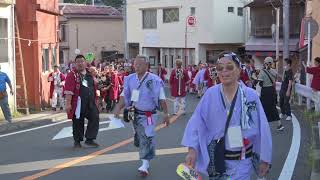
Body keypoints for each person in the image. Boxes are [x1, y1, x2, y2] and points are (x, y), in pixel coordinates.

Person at [182, 51, 272, 180]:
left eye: (229, 67)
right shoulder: (210, 94)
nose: (224, 71)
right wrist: (192, 150)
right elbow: (197, 123)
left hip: (242, 162)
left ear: (239, 69)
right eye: (220, 68)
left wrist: (265, 157)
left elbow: (262, 127)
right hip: (217, 161)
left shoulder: (250, 95)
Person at [113, 55, 170, 176]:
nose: (137, 66)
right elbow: (124, 95)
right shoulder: (129, 79)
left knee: (148, 136)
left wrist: (166, 113)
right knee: (140, 137)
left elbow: (162, 99)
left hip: (149, 114)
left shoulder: (154, 80)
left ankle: (144, 164)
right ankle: (138, 139)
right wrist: (118, 108)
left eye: (139, 64)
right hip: (134, 113)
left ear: (146, 66)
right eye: (135, 64)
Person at [64, 55, 100, 148]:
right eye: (78, 62)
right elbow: (68, 91)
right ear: (75, 64)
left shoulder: (90, 73)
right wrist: (68, 104)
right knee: (77, 121)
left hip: (90, 102)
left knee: (95, 117)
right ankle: (77, 141)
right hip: (78, 103)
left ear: (85, 63)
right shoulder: (72, 75)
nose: (80, 63)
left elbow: (95, 84)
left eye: (82, 61)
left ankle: (90, 139)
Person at [258, 57, 282, 130]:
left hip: (265, 91)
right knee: (273, 107)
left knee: (264, 107)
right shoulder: (274, 71)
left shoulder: (262, 72)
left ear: (265, 63)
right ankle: (279, 124)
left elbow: (260, 83)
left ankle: (265, 125)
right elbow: (276, 78)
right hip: (272, 90)